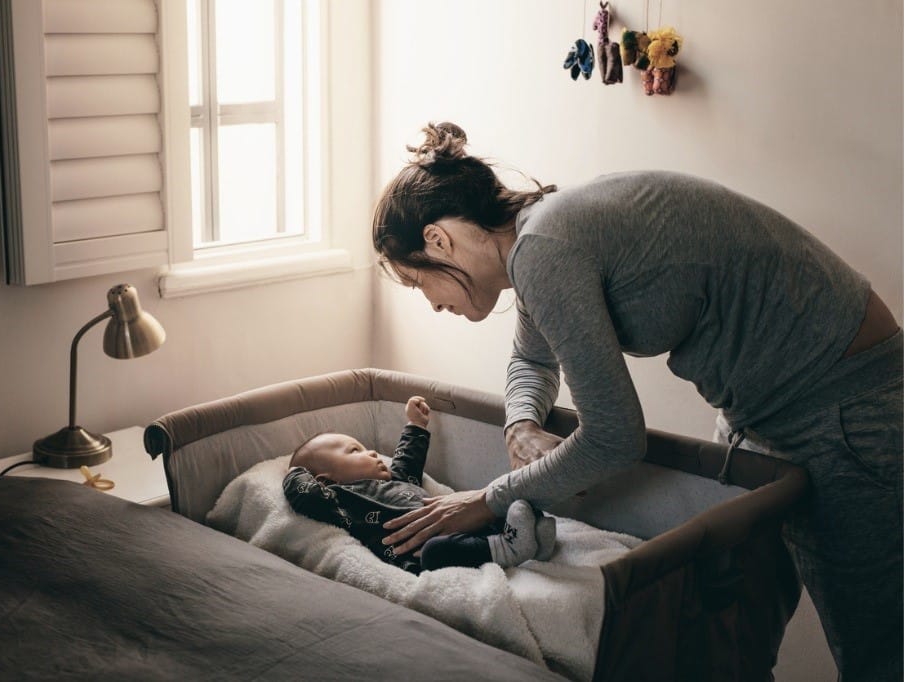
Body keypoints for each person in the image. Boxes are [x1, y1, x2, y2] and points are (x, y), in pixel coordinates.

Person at [371, 122, 902, 681]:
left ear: (438, 241)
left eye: (417, 283)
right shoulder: (536, 242)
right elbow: (531, 360)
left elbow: (616, 437)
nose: (430, 304)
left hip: (841, 397)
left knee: (875, 646)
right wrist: (521, 422)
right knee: (729, 630)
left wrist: (490, 499)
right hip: (760, 408)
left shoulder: (544, 249)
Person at [283, 395, 556, 574]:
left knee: (494, 505)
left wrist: (415, 424)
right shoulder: (340, 501)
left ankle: (527, 540)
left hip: (458, 523)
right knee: (436, 551)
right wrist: (294, 471)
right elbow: (305, 496)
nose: (372, 453)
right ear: (326, 481)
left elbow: (407, 463)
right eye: (355, 452)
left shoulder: (396, 480)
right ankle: (508, 548)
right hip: (422, 553)